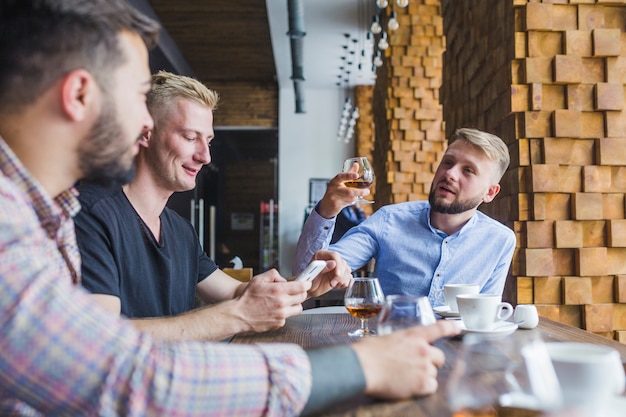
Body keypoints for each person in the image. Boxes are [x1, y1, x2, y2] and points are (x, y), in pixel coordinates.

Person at [0, 1, 459, 415]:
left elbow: (240, 300)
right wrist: (360, 366)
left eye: (209, 139)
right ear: (80, 94)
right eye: (137, 97)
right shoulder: (54, 218)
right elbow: (119, 369)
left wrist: (304, 284)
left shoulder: (52, 214)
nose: (143, 122)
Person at [75, 70, 349, 342]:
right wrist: (238, 316)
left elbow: (237, 293)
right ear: (145, 133)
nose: (205, 156)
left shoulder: (180, 230)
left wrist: (306, 284)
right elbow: (102, 339)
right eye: (190, 137)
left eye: (208, 141)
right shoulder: (89, 215)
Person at [294, 128, 516, 307]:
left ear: (490, 192)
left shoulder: (500, 240)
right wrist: (327, 211)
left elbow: (487, 314)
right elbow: (306, 276)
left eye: (468, 170)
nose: (450, 173)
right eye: (448, 163)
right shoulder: (389, 220)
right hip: (390, 346)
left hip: (458, 352)